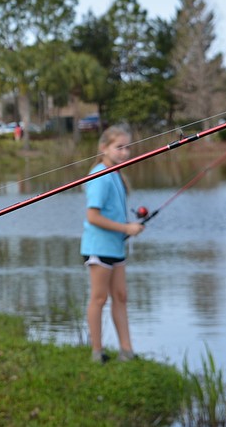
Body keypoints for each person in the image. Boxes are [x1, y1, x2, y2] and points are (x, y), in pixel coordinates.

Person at [81, 125, 144, 363]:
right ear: (103, 148)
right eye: (119, 147)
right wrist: (127, 228)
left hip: (116, 246)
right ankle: (97, 352)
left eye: (128, 147)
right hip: (98, 247)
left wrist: (130, 225)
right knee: (99, 298)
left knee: (121, 296)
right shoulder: (100, 175)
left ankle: (126, 351)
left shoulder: (116, 174)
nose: (125, 152)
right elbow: (92, 217)